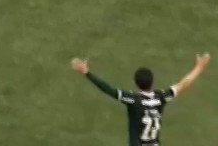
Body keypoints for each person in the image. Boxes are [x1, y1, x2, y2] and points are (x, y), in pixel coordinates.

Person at [70, 53, 210, 145]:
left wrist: (87, 73)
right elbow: (184, 84)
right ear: (153, 82)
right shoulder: (161, 97)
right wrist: (199, 67)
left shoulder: (133, 100)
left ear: (136, 83)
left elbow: (109, 90)